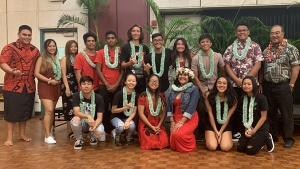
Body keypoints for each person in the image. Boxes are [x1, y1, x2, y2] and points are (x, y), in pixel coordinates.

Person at [259, 25, 300, 148]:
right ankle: (273, 136)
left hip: (283, 85)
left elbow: (296, 67)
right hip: (268, 85)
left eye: (277, 33)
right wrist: (260, 83)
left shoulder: (290, 49)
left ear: (283, 34)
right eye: (272, 33)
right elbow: (262, 69)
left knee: (286, 113)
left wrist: (291, 84)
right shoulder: (266, 51)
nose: (274, 35)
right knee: (271, 113)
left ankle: (288, 138)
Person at [0, 25, 40, 146]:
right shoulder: (9, 48)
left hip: (29, 86)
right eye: (24, 34)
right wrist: (12, 71)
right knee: (11, 113)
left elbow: (39, 67)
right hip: (12, 86)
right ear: (18, 34)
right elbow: (2, 63)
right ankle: (9, 138)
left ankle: (22, 134)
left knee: (25, 112)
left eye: (29, 35)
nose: (27, 37)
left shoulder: (35, 50)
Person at [223, 22, 264, 141]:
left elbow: (258, 64)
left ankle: (252, 131)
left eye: (244, 30)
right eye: (239, 31)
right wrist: (236, 80)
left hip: (251, 85)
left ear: (248, 32)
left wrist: (246, 81)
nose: (242, 32)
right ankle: (236, 132)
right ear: (236, 33)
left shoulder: (255, 46)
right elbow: (226, 65)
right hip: (235, 84)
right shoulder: (231, 48)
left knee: (251, 108)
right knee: (235, 108)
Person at [192, 33, 226, 141]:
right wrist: (203, 91)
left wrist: (222, 85)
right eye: (203, 42)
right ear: (199, 44)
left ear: (210, 43)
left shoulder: (217, 56)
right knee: (201, 110)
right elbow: (195, 77)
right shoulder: (196, 58)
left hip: (216, 87)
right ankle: (202, 133)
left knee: (217, 110)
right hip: (201, 87)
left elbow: (223, 71)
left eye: (207, 41)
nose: (205, 43)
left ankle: (217, 132)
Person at [237, 76, 274, 155]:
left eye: (249, 84)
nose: (246, 86)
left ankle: (267, 138)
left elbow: (264, 117)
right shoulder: (242, 99)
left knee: (250, 150)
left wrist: (254, 131)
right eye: (244, 84)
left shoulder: (262, 98)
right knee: (240, 148)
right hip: (249, 127)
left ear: (254, 85)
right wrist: (247, 130)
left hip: (260, 128)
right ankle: (256, 141)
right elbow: (244, 116)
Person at [95, 30, 123, 134]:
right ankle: (105, 129)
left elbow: (122, 71)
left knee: (116, 108)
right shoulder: (101, 52)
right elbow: (98, 69)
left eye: (112, 38)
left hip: (117, 85)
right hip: (103, 85)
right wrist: (106, 84)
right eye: (108, 38)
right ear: (106, 40)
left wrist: (116, 84)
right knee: (104, 107)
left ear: (116, 40)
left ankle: (115, 128)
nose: (111, 40)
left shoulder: (120, 53)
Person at [34, 39, 62, 144]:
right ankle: (46, 136)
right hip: (45, 85)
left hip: (56, 86)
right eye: (49, 46)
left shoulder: (57, 59)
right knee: (49, 110)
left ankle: (49, 133)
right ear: (46, 48)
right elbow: (36, 73)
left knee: (52, 111)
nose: (52, 48)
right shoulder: (41, 59)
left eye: (53, 46)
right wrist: (49, 81)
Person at [167, 67, 199, 152]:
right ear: (177, 76)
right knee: (174, 135)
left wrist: (181, 122)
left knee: (178, 134)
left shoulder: (194, 89)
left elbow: (192, 106)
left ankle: (191, 144)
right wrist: (172, 121)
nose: (182, 76)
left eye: (185, 75)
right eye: (180, 74)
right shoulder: (173, 89)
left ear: (189, 77)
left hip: (189, 118)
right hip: (176, 117)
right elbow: (169, 106)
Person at [71, 76, 106, 149]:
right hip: (82, 122)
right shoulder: (76, 95)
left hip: (94, 122)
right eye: (84, 84)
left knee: (99, 133)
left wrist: (95, 126)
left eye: (88, 84)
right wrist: (88, 116)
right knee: (75, 119)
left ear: (92, 86)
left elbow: (100, 117)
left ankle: (93, 136)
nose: (86, 86)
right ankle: (79, 139)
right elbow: (76, 112)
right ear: (80, 86)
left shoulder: (99, 98)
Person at [204, 76, 237, 151]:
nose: (221, 85)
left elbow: (228, 117)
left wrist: (220, 132)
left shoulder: (233, 98)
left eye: (224, 83)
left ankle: (226, 139)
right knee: (212, 147)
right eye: (219, 83)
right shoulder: (208, 95)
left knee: (225, 148)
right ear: (216, 84)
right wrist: (216, 131)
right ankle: (212, 138)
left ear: (228, 85)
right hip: (212, 124)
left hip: (225, 124)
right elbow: (210, 114)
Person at [138, 74, 169, 150]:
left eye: (156, 81)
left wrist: (158, 125)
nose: (154, 83)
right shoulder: (143, 95)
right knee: (152, 143)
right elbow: (141, 114)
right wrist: (151, 127)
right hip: (146, 124)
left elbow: (163, 112)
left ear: (159, 84)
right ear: (148, 83)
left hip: (158, 124)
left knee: (164, 142)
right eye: (152, 81)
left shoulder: (162, 96)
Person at [120, 24, 149, 94]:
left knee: (140, 101)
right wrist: (129, 63)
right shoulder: (125, 47)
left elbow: (147, 64)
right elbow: (122, 65)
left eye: (138, 31)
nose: (136, 33)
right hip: (130, 81)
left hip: (142, 81)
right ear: (130, 33)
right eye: (134, 31)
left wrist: (147, 68)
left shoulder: (145, 48)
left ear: (140, 33)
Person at [111, 73, 138, 146]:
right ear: (125, 82)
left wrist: (128, 121)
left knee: (132, 126)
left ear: (136, 83)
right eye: (129, 80)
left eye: (133, 81)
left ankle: (127, 136)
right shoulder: (119, 94)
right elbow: (113, 110)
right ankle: (116, 135)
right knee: (121, 127)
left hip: (127, 118)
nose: (131, 83)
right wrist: (125, 108)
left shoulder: (136, 95)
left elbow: (134, 112)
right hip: (116, 117)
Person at [60, 40, 79, 138]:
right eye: (71, 46)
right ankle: (69, 130)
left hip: (77, 85)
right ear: (68, 48)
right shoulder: (64, 58)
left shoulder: (78, 57)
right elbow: (63, 74)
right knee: (68, 108)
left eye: (75, 46)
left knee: (76, 107)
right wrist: (67, 88)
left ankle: (76, 129)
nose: (73, 48)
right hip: (68, 85)